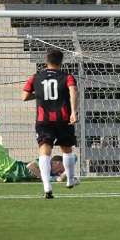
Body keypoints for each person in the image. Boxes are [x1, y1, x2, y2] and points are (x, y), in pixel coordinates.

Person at [22, 49, 79, 199]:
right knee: (66, 149)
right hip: (63, 119)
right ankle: (70, 180)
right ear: (61, 62)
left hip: (43, 120)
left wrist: (39, 94)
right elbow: (73, 90)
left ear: (46, 61)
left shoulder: (35, 77)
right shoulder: (67, 76)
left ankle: (47, 187)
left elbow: (24, 96)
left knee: (44, 151)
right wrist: (74, 112)